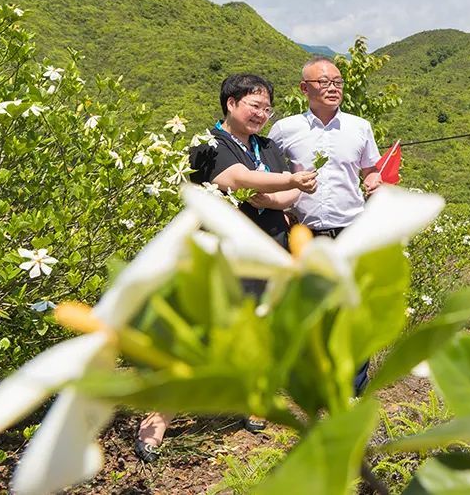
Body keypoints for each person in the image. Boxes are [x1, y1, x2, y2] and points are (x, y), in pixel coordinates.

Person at [135, 73, 317, 463]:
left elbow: (281, 197)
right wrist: (284, 184)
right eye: (255, 106)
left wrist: (279, 189)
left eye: (267, 108)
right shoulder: (207, 144)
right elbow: (235, 180)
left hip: (269, 250)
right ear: (231, 104)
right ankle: (158, 419)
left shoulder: (266, 147)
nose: (262, 114)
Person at [268, 57, 383, 393]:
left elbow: (370, 170)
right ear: (305, 88)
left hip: (352, 228)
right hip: (305, 232)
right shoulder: (284, 129)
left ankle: (353, 388)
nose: (333, 88)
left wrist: (375, 181)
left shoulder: (359, 126)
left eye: (338, 81)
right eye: (324, 82)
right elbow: (273, 175)